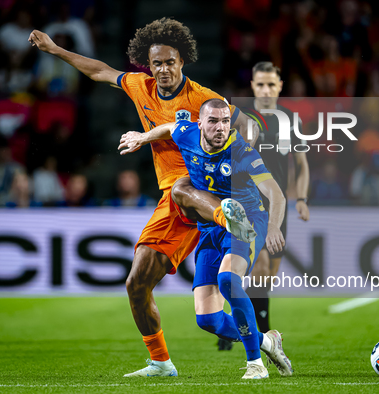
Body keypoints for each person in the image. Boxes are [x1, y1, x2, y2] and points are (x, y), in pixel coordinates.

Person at [29, 17, 259, 377]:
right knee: (138, 285)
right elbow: (100, 71)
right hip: (173, 200)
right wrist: (55, 50)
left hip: (206, 190)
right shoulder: (140, 86)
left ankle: (228, 216)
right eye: (157, 63)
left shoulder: (203, 98)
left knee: (184, 188)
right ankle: (162, 362)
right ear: (147, 66)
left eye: (170, 62)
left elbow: (245, 124)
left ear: (182, 61)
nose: (164, 69)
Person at [118, 98, 293, 379]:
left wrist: (273, 228)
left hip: (246, 222)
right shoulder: (187, 134)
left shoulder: (242, 152)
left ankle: (255, 364)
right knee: (208, 320)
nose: (220, 127)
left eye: (225, 121)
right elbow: (169, 127)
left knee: (228, 280)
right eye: (213, 121)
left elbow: (276, 194)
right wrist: (143, 137)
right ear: (200, 123)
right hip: (210, 226)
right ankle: (267, 341)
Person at [243, 62, 310, 336]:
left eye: (271, 84)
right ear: (252, 86)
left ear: (280, 86)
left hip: (277, 207)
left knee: (267, 277)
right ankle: (264, 337)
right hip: (249, 204)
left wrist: (302, 198)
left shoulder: (292, 120)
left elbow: (302, 164)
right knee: (259, 268)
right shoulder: (243, 120)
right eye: (260, 84)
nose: (266, 90)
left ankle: (241, 324)